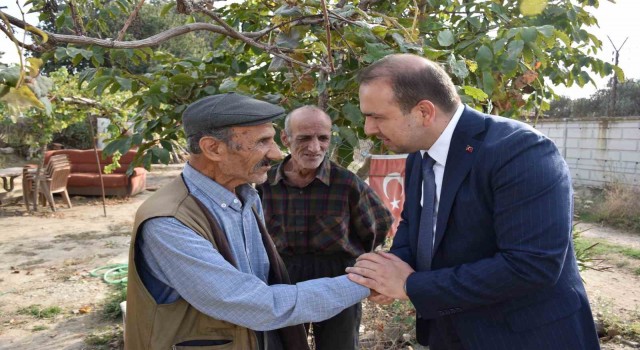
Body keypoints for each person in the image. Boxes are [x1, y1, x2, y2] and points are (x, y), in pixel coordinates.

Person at [345, 54, 601, 350]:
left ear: (424, 112)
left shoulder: (520, 151)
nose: (368, 129)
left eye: (377, 117)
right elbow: (417, 226)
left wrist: (409, 285)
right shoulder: (419, 156)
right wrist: (389, 269)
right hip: (451, 334)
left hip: (525, 337)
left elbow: (532, 265)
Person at [125, 93, 369, 350]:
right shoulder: (169, 222)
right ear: (213, 148)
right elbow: (257, 305)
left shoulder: (245, 196)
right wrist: (365, 283)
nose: (276, 154)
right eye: (263, 142)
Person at [257, 105, 393, 350]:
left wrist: (359, 263)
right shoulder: (265, 184)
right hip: (281, 276)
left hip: (337, 275)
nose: (314, 147)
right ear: (285, 138)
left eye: (323, 138)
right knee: (280, 345)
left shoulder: (347, 183)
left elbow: (379, 225)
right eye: (304, 138)